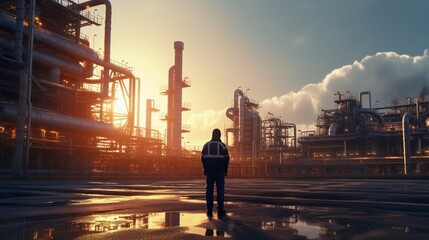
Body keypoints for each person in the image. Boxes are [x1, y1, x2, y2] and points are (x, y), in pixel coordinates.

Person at [201, 128, 230, 218]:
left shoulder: (206, 145)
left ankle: (209, 209)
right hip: (219, 171)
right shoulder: (222, 146)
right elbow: (227, 158)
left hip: (209, 171)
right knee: (220, 190)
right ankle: (220, 209)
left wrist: (205, 168)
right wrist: (225, 169)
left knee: (209, 190)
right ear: (219, 135)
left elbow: (202, 158)